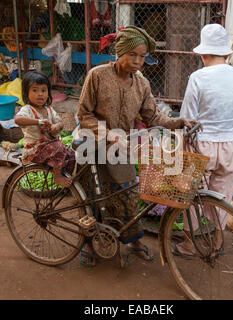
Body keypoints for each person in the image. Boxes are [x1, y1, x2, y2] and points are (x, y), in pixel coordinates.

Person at [77, 25, 195, 267]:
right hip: (91, 142)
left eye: (142, 56)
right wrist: (108, 135)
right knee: (91, 197)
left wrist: (179, 122)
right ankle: (87, 242)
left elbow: (154, 118)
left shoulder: (142, 84)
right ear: (120, 52)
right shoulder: (97, 75)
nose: (138, 61)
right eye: (133, 55)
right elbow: (83, 114)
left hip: (121, 148)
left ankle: (132, 239)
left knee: (128, 194)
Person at [178, 24, 233, 257]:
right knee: (223, 194)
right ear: (227, 53)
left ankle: (190, 244)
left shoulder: (197, 77)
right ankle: (218, 240)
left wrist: (182, 148)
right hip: (230, 144)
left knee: (190, 194)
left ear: (202, 53)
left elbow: (187, 118)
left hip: (201, 146)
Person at [14, 71, 75, 187]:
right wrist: (39, 121)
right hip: (34, 150)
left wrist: (56, 127)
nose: (40, 94)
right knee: (58, 146)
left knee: (72, 155)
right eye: (35, 90)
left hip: (49, 148)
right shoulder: (27, 110)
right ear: (26, 93)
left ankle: (68, 181)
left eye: (43, 90)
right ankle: (57, 177)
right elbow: (17, 120)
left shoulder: (49, 110)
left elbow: (60, 123)